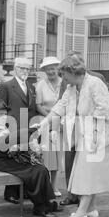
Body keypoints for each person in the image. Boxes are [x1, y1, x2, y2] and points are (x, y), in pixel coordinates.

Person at [36, 56, 109, 217]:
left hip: (99, 135)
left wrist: (92, 132)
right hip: (85, 134)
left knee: (87, 173)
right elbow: (60, 107)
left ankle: (80, 214)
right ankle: (91, 208)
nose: (63, 78)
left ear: (72, 71)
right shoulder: (72, 87)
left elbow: (104, 108)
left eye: (64, 74)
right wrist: (43, 123)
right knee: (89, 171)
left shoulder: (94, 83)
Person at [0, 100, 63, 217]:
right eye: (0, 114)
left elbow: (7, 143)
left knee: (40, 168)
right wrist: (30, 131)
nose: (4, 116)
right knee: (38, 170)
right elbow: (7, 141)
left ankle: (47, 203)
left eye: (5, 114)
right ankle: (41, 207)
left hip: (3, 158)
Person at [58, 51, 107, 206]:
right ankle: (71, 193)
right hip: (72, 124)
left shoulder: (97, 79)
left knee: (87, 161)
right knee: (70, 159)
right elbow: (62, 100)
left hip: (89, 126)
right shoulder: (66, 79)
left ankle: (86, 197)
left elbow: (103, 103)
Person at [0, 57, 38, 204]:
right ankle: (10, 192)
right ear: (15, 69)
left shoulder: (31, 87)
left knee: (27, 159)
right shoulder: (6, 86)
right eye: (21, 68)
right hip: (12, 127)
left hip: (28, 128)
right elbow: (0, 109)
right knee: (14, 160)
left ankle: (24, 190)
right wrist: (3, 128)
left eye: (27, 68)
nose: (25, 71)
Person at [36, 56, 63, 197]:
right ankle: (45, 186)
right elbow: (38, 105)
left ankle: (54, 186)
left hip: (61, 123)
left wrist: (58, 119)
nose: (51, 71)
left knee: (57, 156)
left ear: (57, 69)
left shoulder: (64, 83)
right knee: (47, 156)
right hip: (46, 122)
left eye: (53, 68)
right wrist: (49, 118)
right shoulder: (40, 84)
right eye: (48, 70)